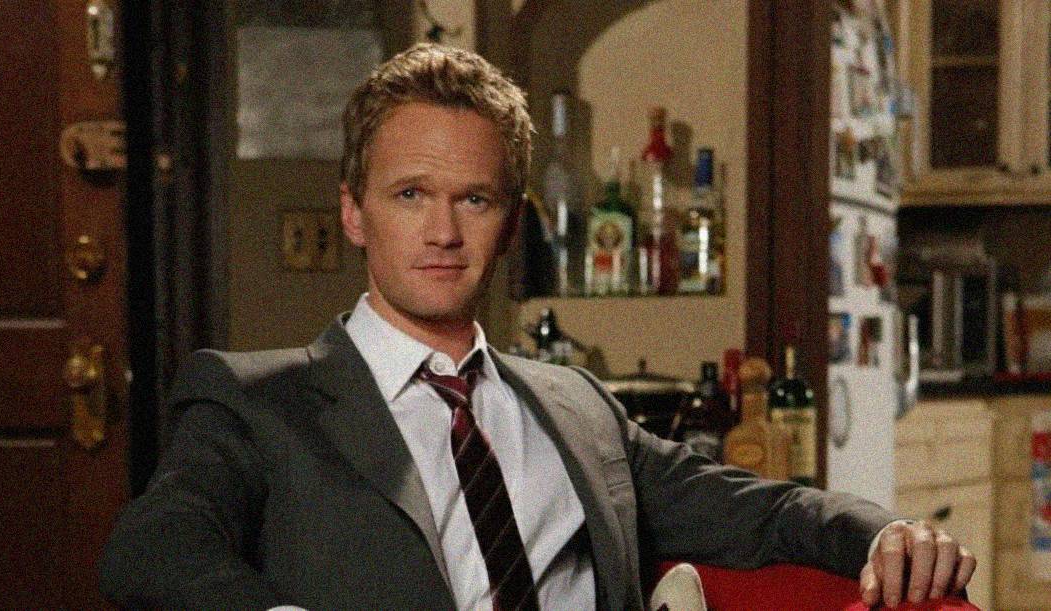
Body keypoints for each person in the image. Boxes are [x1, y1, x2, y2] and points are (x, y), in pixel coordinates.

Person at [99, 43, 975, 610]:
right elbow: (152, 550)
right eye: (411, 195)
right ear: (355, 212)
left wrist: (884, 532)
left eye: (473, 199)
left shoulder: (577, 406)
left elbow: (765, 512)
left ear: (511, 222)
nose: (443, 232)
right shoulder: (258, 399)